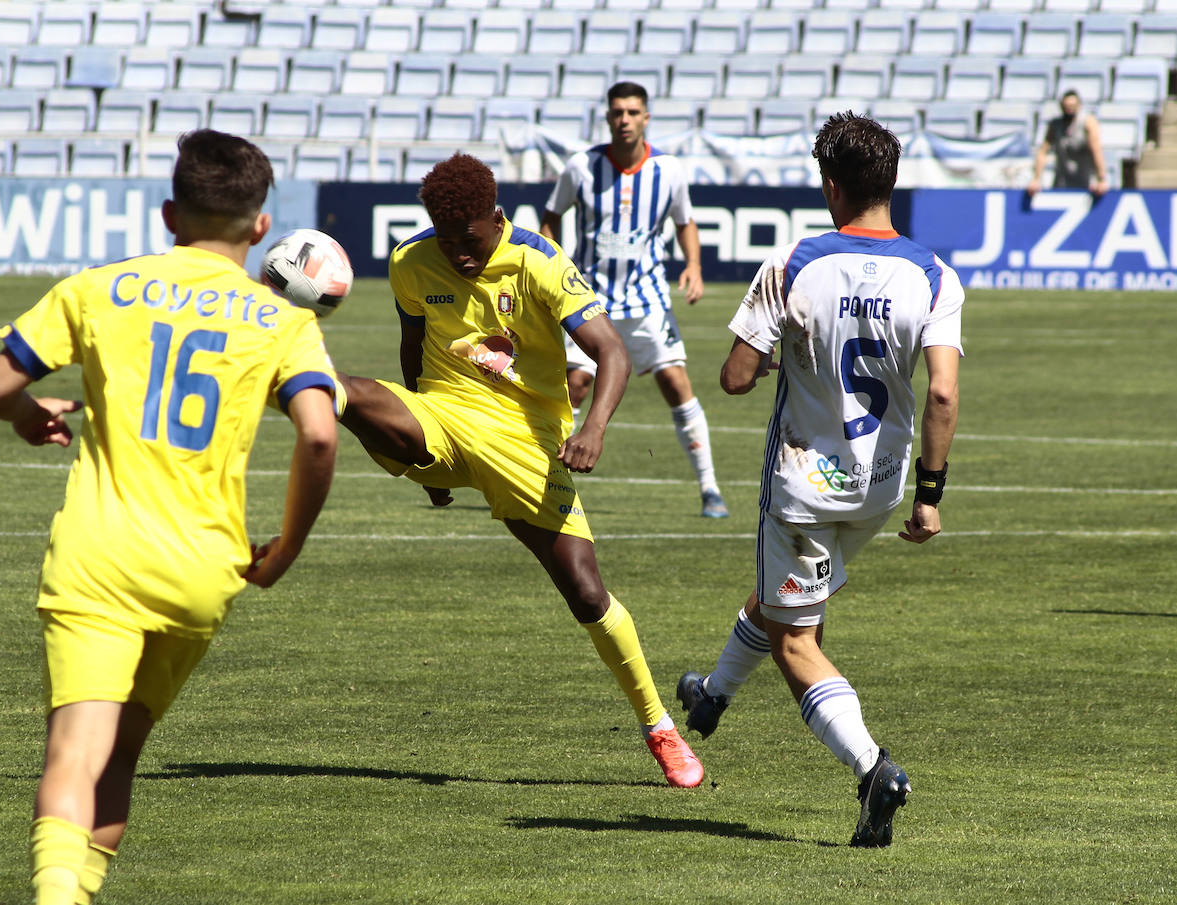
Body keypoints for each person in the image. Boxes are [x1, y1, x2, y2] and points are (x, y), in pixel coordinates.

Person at [0, 130, 339, 904]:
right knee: (122, 756)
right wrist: (287, 550)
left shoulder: (101, 287)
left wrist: (29, 414)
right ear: (262, 226)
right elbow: (318, 432)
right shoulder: (284, 321)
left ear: (169, 213)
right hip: (204, 568)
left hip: (100, 557)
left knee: (75, 754)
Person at [334, 152, 704, 788]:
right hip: (443, 415)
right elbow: (411, 347)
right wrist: (421, 454)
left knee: (586, 593)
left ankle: (658, 725)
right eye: (446, 240)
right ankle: (259, 373)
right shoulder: (410, 262)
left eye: (470, 239)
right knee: (338, 388)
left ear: (496, 217)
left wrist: (592, 429)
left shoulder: (541, 261)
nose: (458, 254)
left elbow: (610, 352)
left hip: (528, 441)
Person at [675, 112, 964, 847]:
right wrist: (930, 500)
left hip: (804, 483)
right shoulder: (933, 273)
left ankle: (874, 771)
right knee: (783, 597)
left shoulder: (796, 263)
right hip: (878, 489)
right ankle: (711, 696)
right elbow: (941, 394)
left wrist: (775, 356)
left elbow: (736, 377)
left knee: (796, 642)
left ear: (831, 185)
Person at [540, 81, 729, 519]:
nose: (624, 119)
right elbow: (551, 218)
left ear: (646, 118)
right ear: (607, 118)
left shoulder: (670, 170)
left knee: (675, 383)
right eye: (617, 112)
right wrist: (556, 267)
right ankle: (553, 478)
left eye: (632, 112)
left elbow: (686, 222)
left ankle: (710, 488)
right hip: (590, 299)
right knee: (576, 384)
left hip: (647, 300)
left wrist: (694, 267)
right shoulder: (582, 168)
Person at [1027, 89, 1109, 196]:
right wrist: (1036, 179)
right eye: (1066, 106)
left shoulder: (1088, 122)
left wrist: (1101, 179)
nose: (1069, 109)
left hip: (1085, 183)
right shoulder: (1055, 125)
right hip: (1062, 183)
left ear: (1079, 105)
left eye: (1073, 106)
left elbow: (1096, 150)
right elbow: (1043, 152)